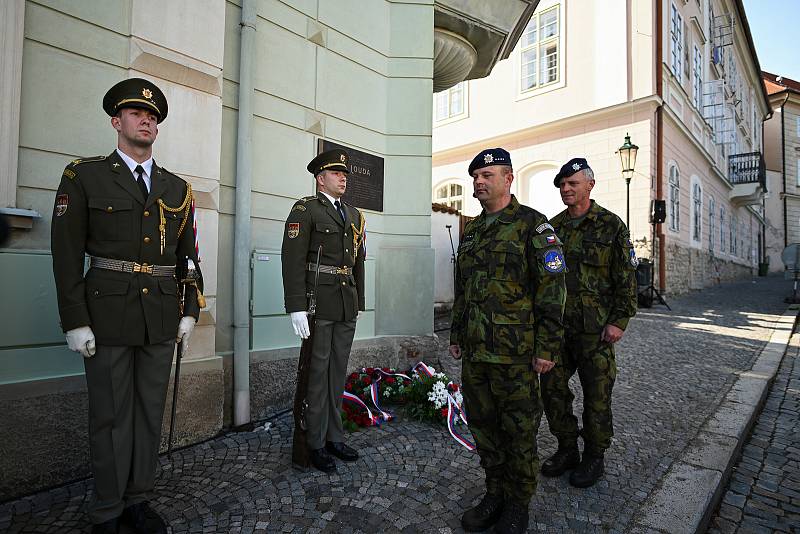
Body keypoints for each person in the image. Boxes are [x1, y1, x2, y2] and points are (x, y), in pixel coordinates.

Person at [51, 78, 202, 534]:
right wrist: (75, 320)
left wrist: (191, 308)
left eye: (153, 116)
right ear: (117, 122)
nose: (147, 120)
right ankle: (107, 509)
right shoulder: (85, 176)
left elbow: (188, 255)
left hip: (159, 313)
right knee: (110, 415)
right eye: (137, 114)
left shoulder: (177, 188)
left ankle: (138, 499)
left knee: (148, 412)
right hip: (107, 313)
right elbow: (64, 253)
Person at [449, 148, 566, 534]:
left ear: (508, 178)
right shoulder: (474, 230)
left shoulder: (533, 226)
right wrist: (457, 334)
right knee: (484, 428)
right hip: (477, 353)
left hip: (516, 355)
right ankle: (494, 492)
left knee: (519, 431)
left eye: (488, 175)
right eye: (476, 177)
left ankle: (518, 503)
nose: (479, 182)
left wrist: (547, 348)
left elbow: (552, 289)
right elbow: (463, 289)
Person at [540, 157, 637, 488]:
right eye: (562, 185)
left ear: (589, 185)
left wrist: (619, 321)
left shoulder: (611, 226)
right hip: (559, 332)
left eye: (573, 183)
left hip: (596, 332)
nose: (566, 189)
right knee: (551, 389)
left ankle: (595, 456)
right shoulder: (553, 229)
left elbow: (626, 277)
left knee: (597, 396)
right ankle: (567, 448)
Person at [281, 148, 366, 473]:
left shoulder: (355, 215)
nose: (343, 177)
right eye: (336, 173)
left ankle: (334, 436)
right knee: (316, 375)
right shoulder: (306, 210)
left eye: (344, 174)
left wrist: (359, 300)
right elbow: (291, 259)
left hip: (345, 304)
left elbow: (358, 260)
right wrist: (296, 307)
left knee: (336, 373)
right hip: (319, 303)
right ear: (320, 179)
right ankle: (313, 442)